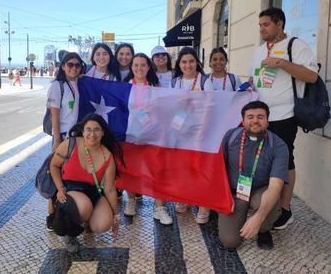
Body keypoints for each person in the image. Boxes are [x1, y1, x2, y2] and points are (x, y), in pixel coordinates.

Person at [249, 7, 318, 230]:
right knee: (262, 162)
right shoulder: (259, 50)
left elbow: (311, 76)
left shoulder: (296, 46)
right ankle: (266, 204)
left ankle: (286, 209)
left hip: (284, 116)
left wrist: (280, 63)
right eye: (260, 25)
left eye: (266, 24)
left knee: (285, 161)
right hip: (259, 118)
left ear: (280, 24)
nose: (262, 29)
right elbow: (255, 79)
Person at [218, 101, 289, 250]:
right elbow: (218, 169)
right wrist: (221, 198)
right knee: (229, 241)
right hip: (236, 193)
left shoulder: (279, 145)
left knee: (269, 201)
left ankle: (264, 229)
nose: (255, 120)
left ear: (267, 121)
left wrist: (258, 218)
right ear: (243, 121)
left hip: (261, 191)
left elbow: (276, 186)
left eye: (260, 117)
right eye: (250, 117)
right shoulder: (230, 137)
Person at [49, 113, 124, 253]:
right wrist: (59, 188)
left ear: (102, 133)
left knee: (102, 224)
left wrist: (116, 215)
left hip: (92, 192)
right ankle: (70, 234)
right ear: (83, 132)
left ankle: (86, 220)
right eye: (88, 129)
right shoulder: (70, 144)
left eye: (96, 129)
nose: (92, 134)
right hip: (68, 191)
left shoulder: (107, 155)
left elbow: (109, 189)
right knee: (84, 205)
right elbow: (53, 166)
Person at [122, 53, 173, 225]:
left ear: (148, 67)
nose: (139, 68)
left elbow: (162, 111)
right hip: (131, 135)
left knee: (156, 170)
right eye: (135, 65)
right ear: (131, 67)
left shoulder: (155, 87)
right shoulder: (126, 87)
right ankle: (131, 200)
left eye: (143, 65)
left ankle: (159, 208)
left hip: (152, 135)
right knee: (131, 169)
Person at [45, 52, 86, 231]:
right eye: (70, 64)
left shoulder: (78, 83)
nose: (74, 68)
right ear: (63, 66)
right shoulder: (57, 86)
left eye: (77, 65)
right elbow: (55, 114)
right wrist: (57, 139)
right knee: (55, 175)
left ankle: (68, 212)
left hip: (76, 137)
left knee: (70, 175)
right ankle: (51, 215)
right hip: (62, 136)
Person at [170, 47, 209, 223]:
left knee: (200, 167)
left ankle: (203, 204)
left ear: (197, 62)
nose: (188, 65)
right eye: (184, 62)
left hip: (201, 130)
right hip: (181, 130)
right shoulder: (175, 82)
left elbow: (211, 106)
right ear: (179, 64)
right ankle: (184, 198)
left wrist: (203, 130)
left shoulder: (205, 80)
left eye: (191, 61)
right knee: (183, 167)